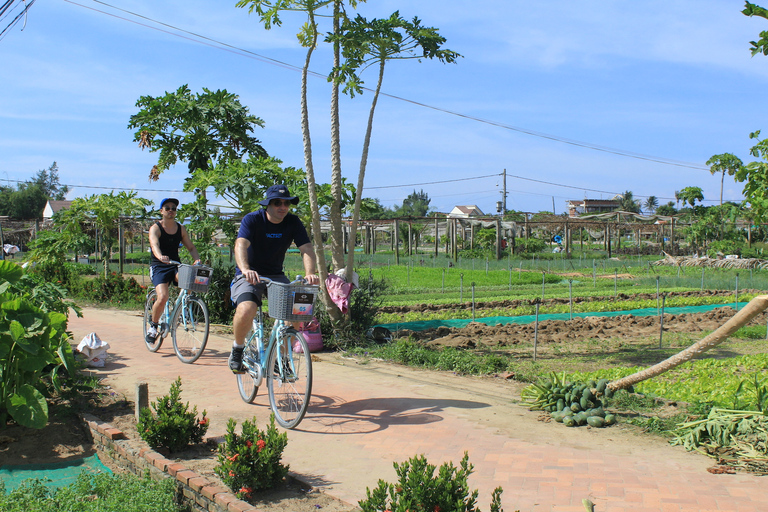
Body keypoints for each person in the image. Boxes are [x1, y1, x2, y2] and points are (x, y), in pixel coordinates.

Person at [228, 184, 320, 373]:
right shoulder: (252, 219)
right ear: (267, 205)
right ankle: (237, 350)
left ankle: (282, 358)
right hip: (249, 274)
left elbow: (307, 249)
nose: (283, 207)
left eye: (286, 203)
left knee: (296, 311)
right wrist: (245, 269)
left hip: (276, 275)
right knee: (247, 309)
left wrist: (310, 273)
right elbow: (240, 245)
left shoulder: (293, 222)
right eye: (277, 203)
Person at [146, 198, 201, 344]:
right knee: (163, 297)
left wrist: (197, 259)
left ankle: (183, 312)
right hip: (159, 265)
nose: (171, 210)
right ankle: (153, 326)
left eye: (174, 208)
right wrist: (160, 256)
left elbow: (191, 247)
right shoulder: (156, 228)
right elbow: (154, 244)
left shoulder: (180, 228)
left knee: (189, 281)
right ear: (161, 211)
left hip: (175, 264)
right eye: (167, 208)